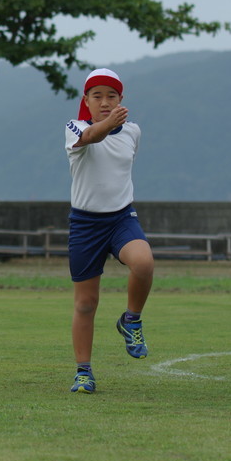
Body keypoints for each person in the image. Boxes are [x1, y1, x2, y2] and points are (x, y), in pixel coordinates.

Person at [64, 68, 155, 394]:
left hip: (121, 218)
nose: (104, 102)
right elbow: (91, 138)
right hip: (85, 224)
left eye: (111, 96)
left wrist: (116, 125)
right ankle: (84, 371)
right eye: (97, 96)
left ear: (121, 100)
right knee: (86, 303)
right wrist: (107, 123)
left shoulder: (133, 132)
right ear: (85, 101)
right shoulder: (75, 127)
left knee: (143, 263)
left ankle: (131, 319)